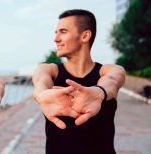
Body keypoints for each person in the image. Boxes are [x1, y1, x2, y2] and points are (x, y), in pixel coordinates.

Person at [32, 9, 125, 154]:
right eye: (55, 32)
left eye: (63, 31)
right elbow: (40, 79)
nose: (56, 39)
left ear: (85, 35)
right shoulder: (49, 70)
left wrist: (99, 92)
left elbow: (112, 80)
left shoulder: (109, 70)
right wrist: (41, 94)